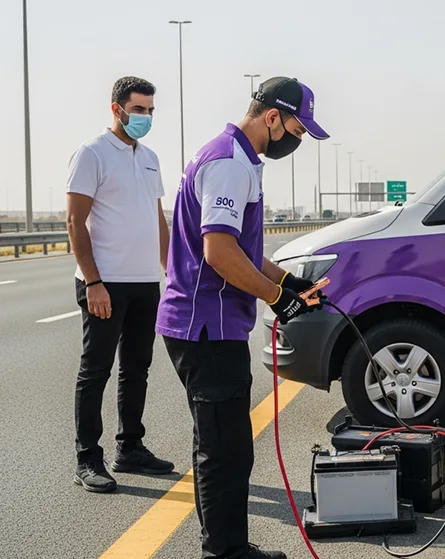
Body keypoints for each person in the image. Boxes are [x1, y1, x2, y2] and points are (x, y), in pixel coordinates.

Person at [155, 76, 329, 559]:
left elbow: (245, 250)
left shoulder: (234, 156)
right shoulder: (230, 163)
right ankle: (225, 552)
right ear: (272, 117)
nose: (297, 139)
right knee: (225, 450)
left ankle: (223, 545)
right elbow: (219, 253)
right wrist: (277, 297)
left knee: (219, 444)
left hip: (208, 324)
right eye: (297, 128)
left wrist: (289, 282)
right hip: (204, 326)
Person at [66, 76, 175, 493]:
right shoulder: (92, 153)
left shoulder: (149, 157)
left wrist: (171, 271)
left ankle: (130, 448)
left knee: (137, 369)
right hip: (105, 282)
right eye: (138, 110)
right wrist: (93, 280)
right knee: (96, 370)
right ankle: (87, 459)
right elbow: (75, 221)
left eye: (149, 110)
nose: (145, 117)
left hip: (145, 281)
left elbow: (157, 219)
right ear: (117, 109)